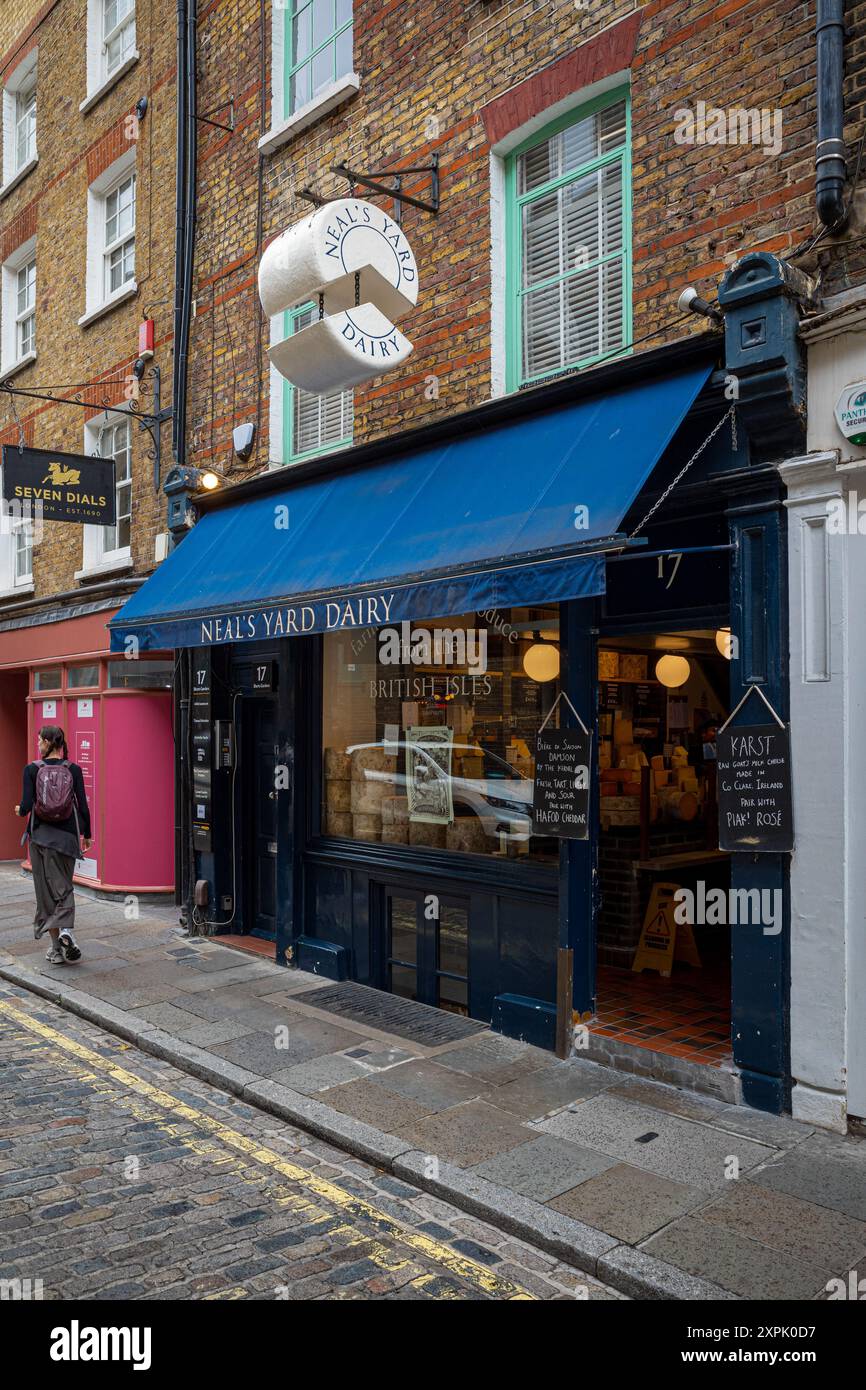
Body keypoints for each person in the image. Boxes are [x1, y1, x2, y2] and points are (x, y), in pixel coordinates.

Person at [15, 725, 92, 965]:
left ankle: (57, 948)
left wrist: (20, 810)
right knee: (64, 888)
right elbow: (83, 806)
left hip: (40, 838)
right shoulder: (74, 769)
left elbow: (26, 806)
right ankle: (66, 935)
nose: (38, 745)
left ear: (49, 742)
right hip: (67, 839)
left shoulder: (31, 769)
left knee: (45, 894)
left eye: (39, 741)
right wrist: (87, 834)